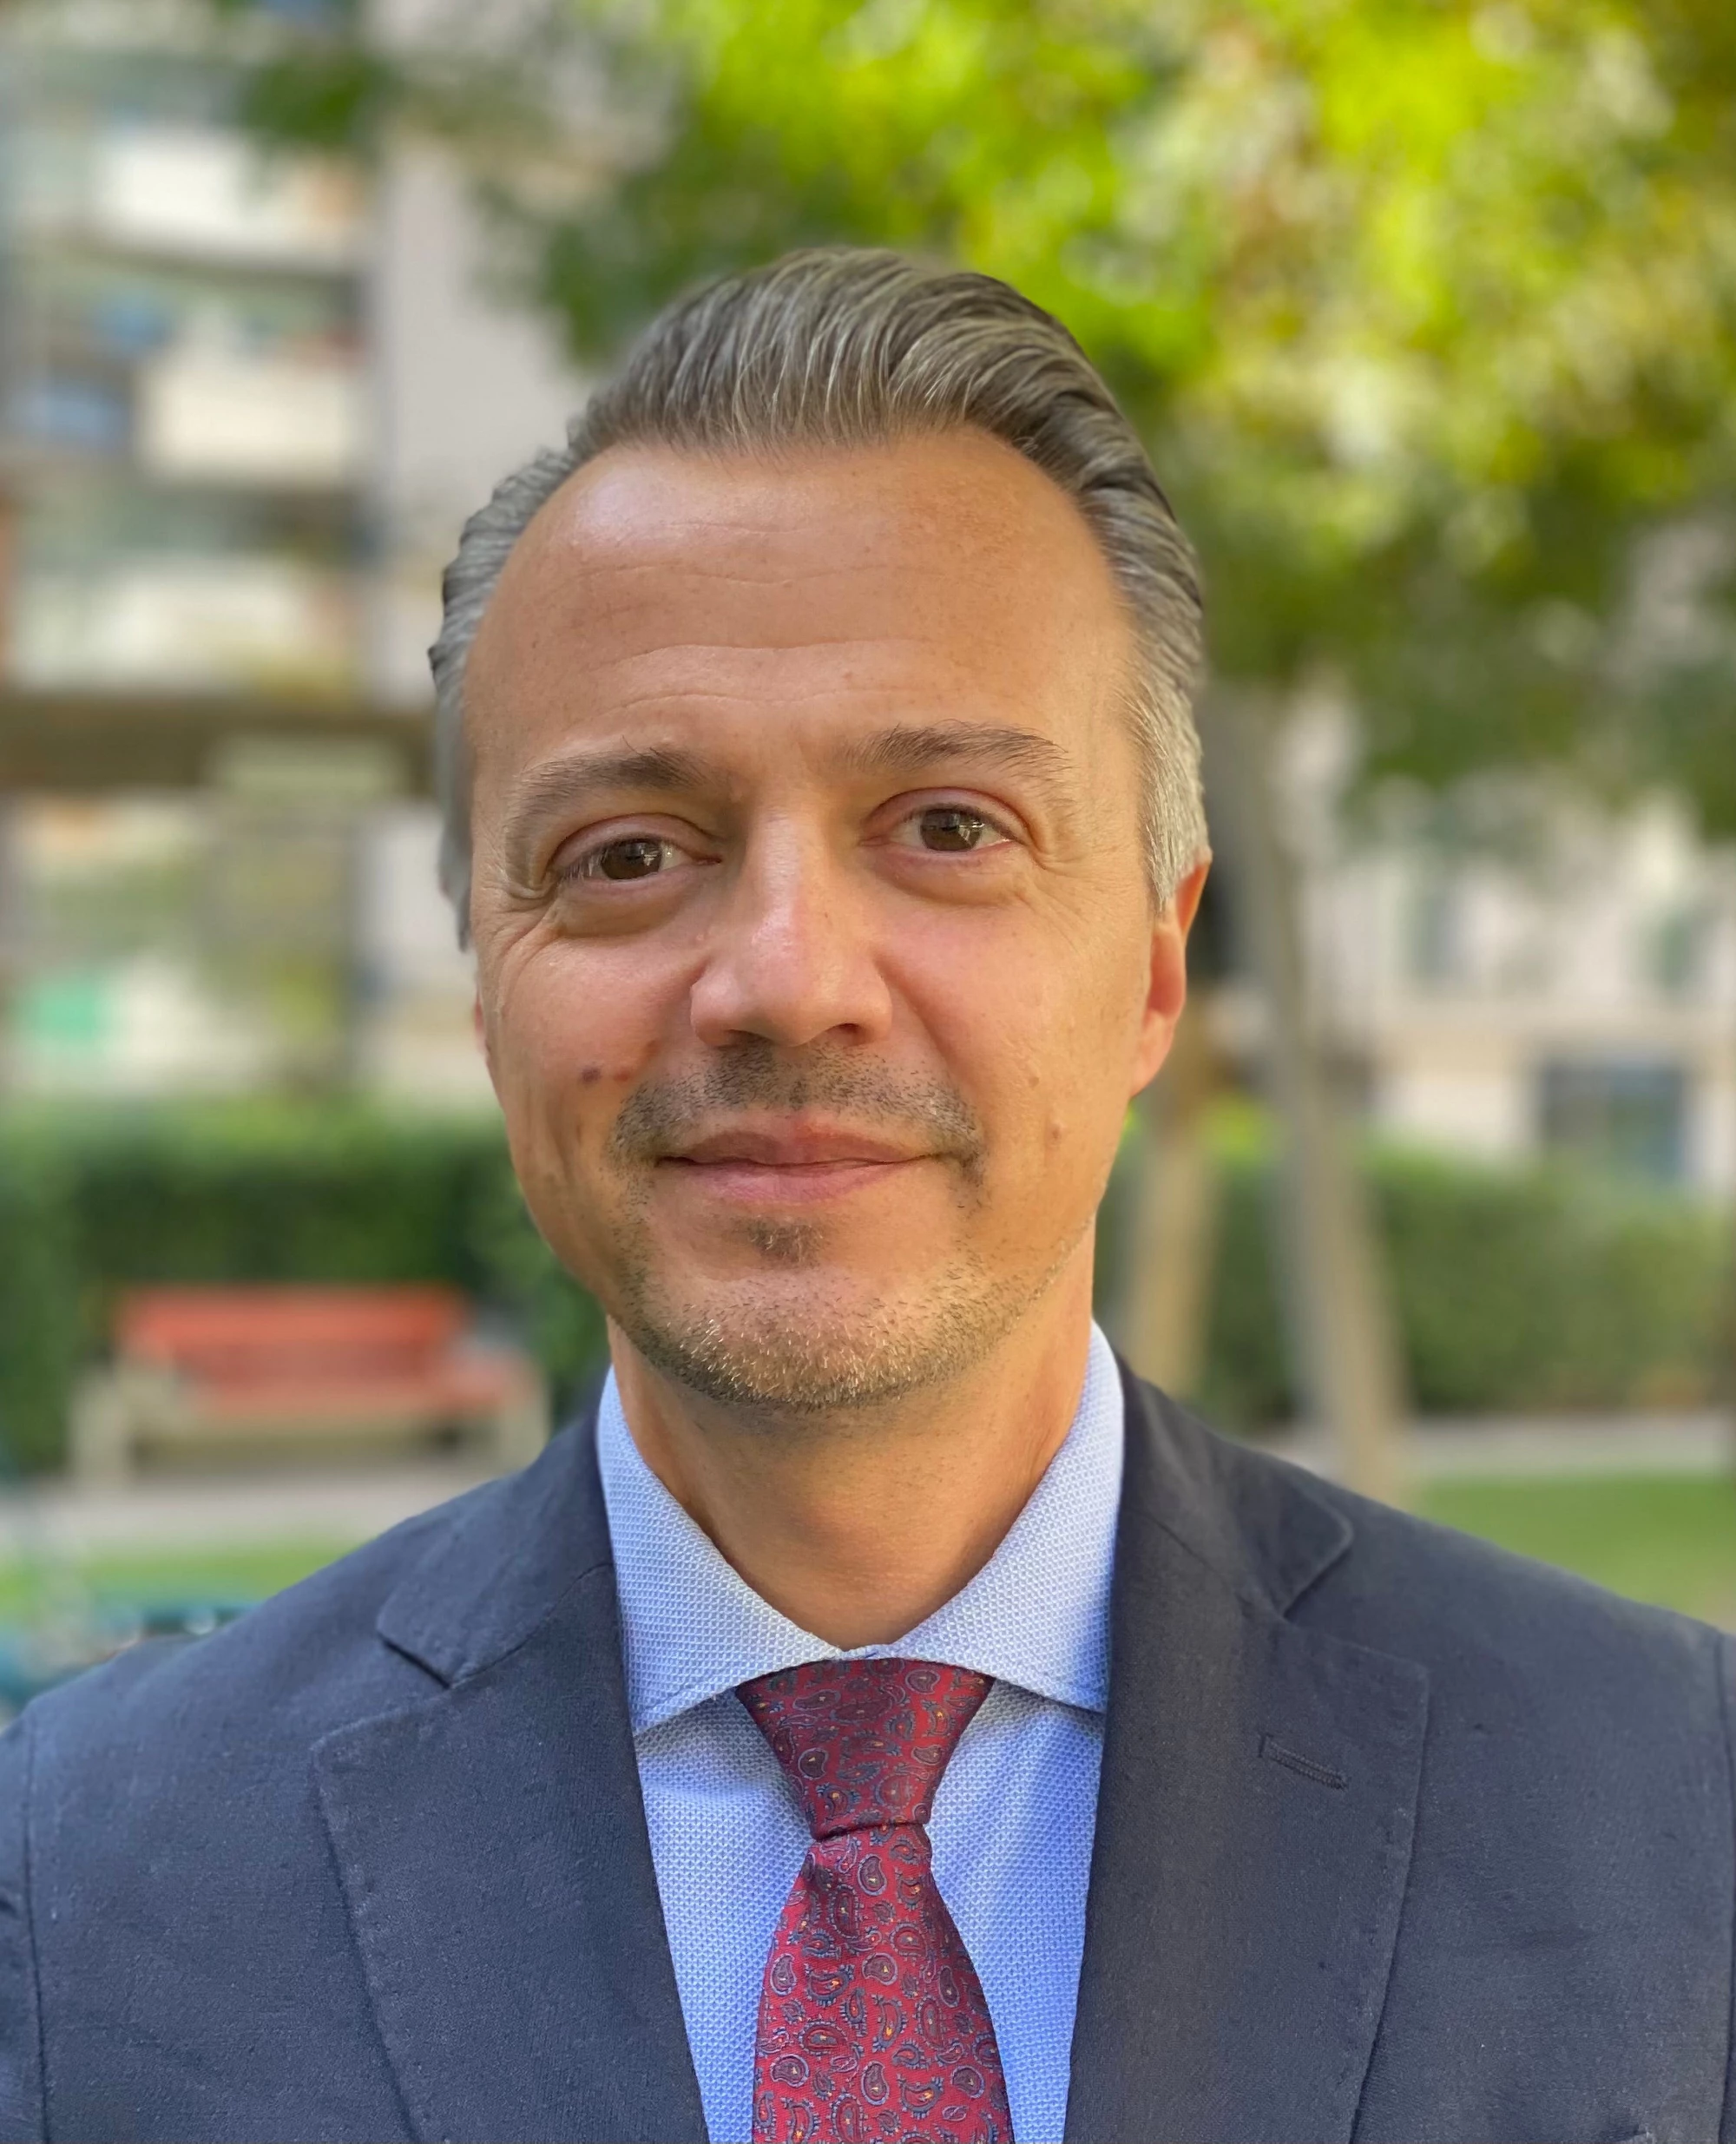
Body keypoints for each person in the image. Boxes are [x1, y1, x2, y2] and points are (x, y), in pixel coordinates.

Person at [0, 248, 1729, 2144]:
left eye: (948, 827)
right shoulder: (80, 1890)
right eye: (628, 851)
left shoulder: (1670, 1807)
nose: (786, 977)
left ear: (1157, 966)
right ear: (488, 982)